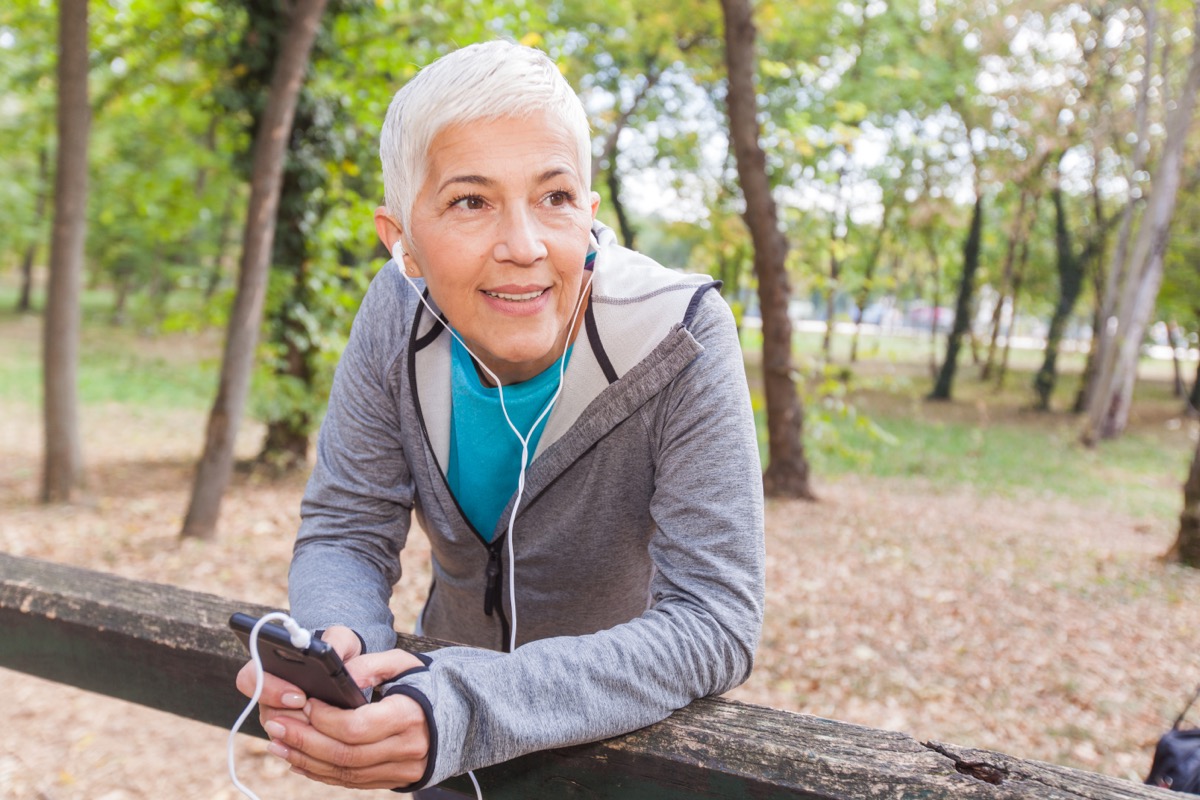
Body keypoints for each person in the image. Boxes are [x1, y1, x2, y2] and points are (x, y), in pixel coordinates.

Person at [236, 39, 765, 794]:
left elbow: (713, 621)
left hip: (627, 754)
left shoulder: (681, 333)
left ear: (589, 211)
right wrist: (339, 638)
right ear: (403, 244)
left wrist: (467, 707)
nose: (522, 246)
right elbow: (348, 528)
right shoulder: (396, 314)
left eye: (554, 198)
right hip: (436, 737)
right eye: (470, 201)